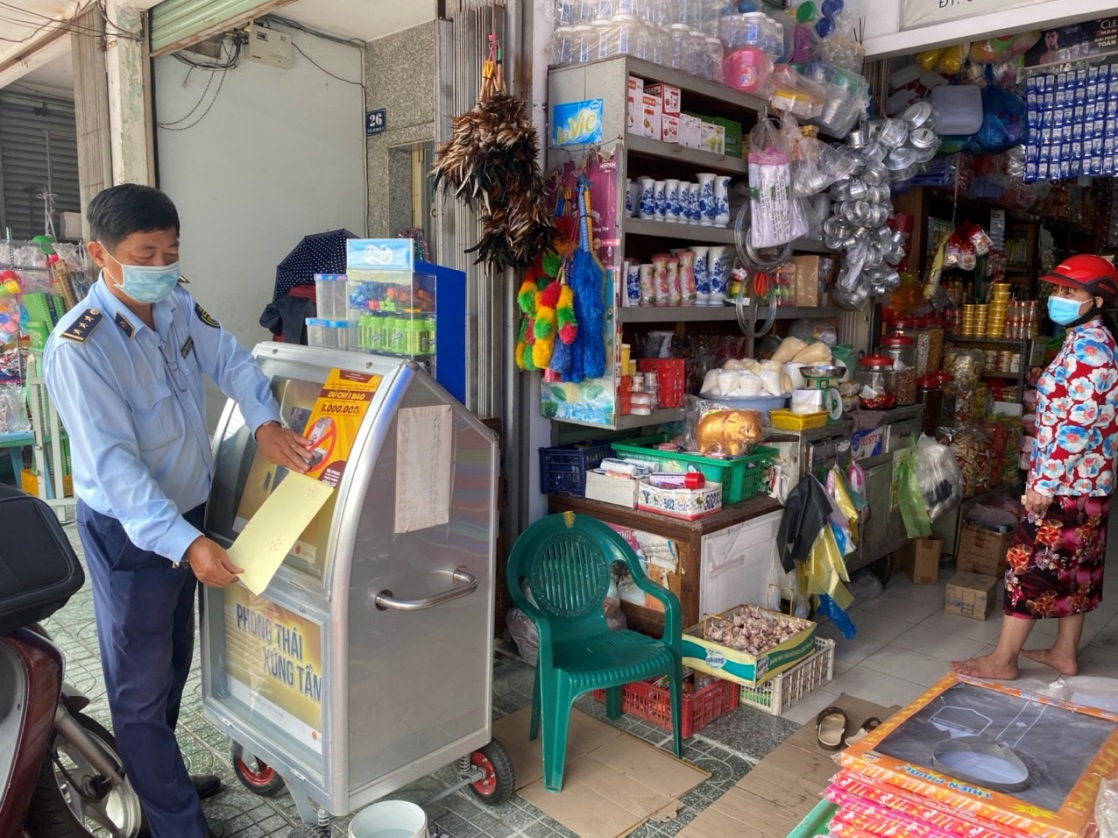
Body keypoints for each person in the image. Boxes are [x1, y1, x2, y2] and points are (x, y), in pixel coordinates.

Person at [43, 184, 313, 837]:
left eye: (171, 252)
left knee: (172, 663)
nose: (161, 266)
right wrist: (185, 543)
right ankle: (174, 823)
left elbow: (232, 360)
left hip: (189, 516)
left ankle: (156, 779)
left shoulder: (176, 304)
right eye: (146, 254)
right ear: (101, 255)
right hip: (135, 533)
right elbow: (116, 469)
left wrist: (265, 419)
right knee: (139, 684)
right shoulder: (81, 348)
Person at [953, 254, 1118, 681]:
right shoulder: (1086, 340)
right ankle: (1064, 654)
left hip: (1065, 484)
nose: (1058, 297)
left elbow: (1076, 430)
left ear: (1098, 300)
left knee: (1026, 566)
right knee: (1077, 569)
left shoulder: (1091, 351)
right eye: (1057, 288)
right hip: (1087, 483)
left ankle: (1003, 660)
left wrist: (1043, 484)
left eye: (1070, 291)